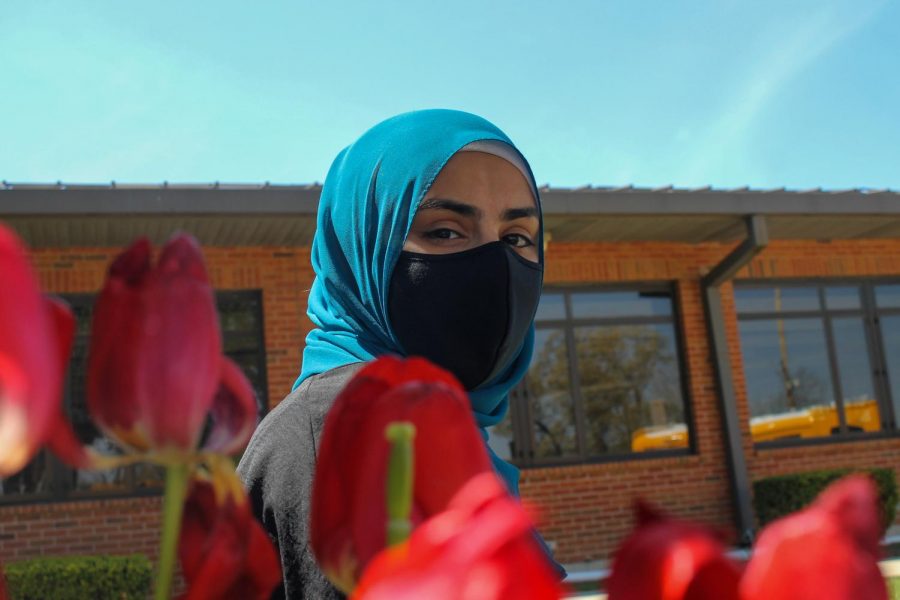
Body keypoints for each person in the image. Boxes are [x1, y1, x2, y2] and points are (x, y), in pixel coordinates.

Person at [237, 109, 564, 599]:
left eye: (517, 238)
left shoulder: (446, 430)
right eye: (445, 231)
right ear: (364, 245)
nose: (496, 265)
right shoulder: (347, 425)